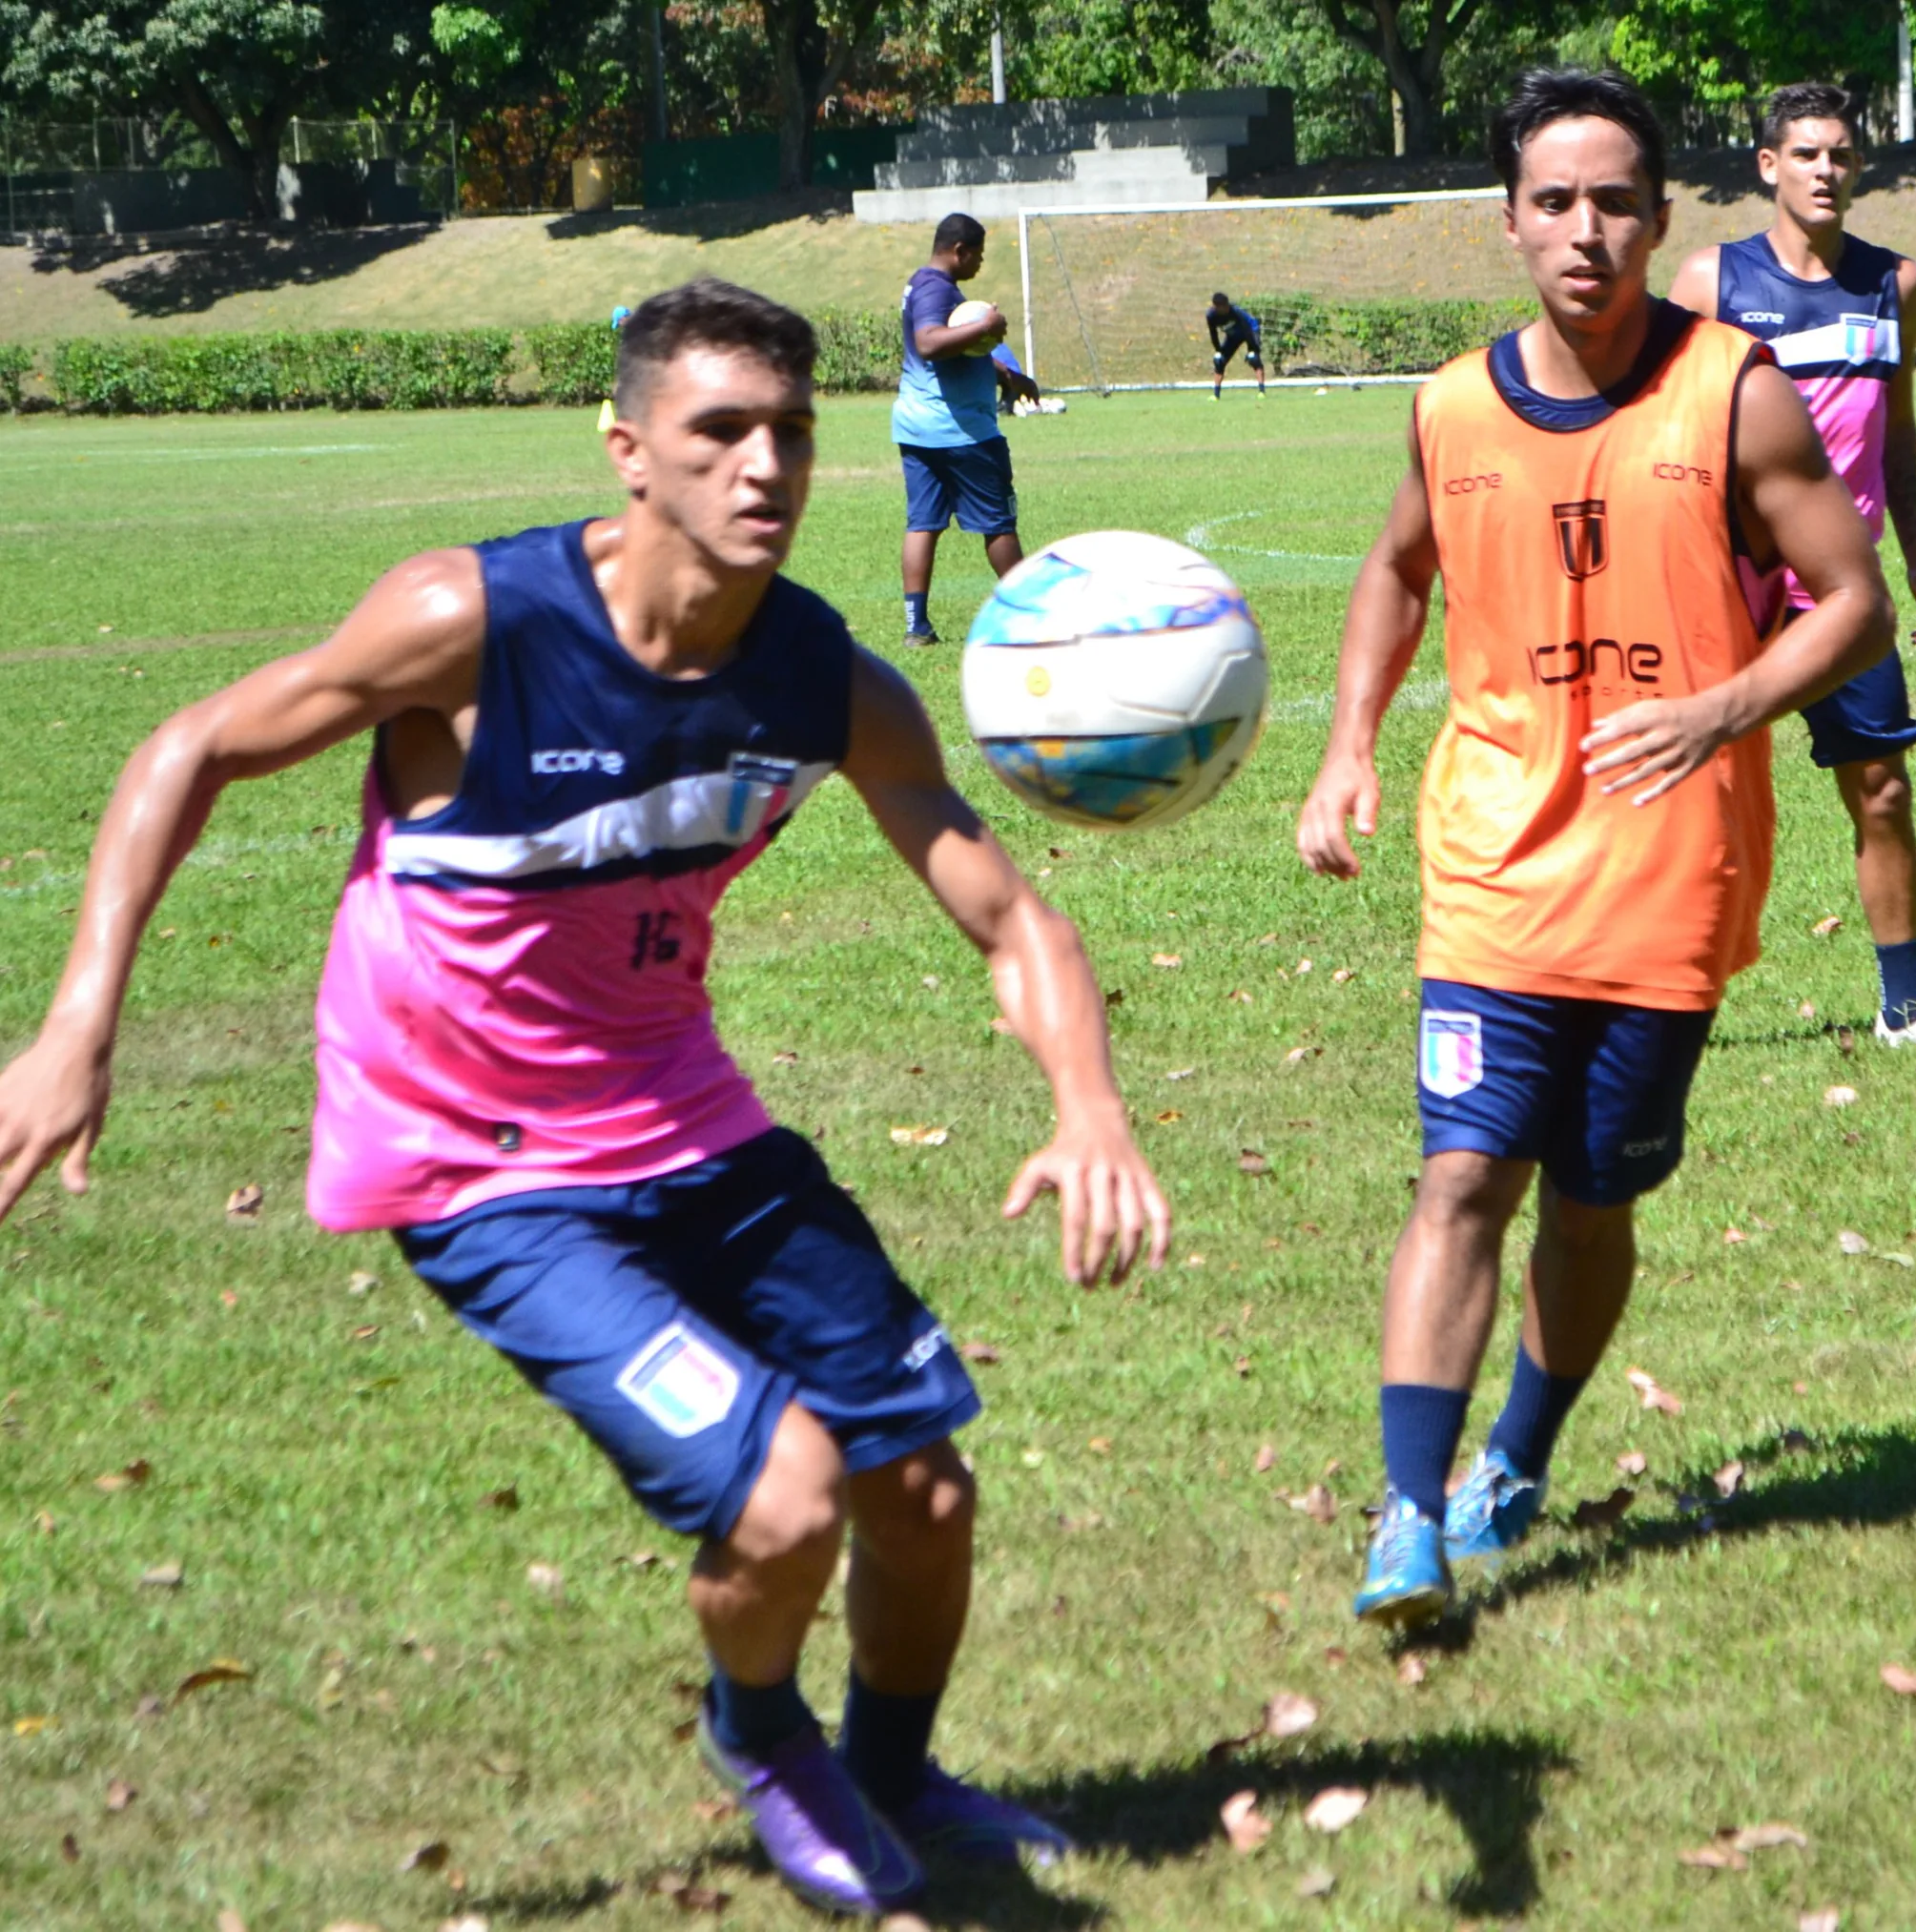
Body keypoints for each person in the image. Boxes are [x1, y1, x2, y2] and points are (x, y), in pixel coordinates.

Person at [0, 277, 1169, 1917]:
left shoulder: (816, 677)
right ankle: (763, 1735)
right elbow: (189, 749)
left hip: (685, 1120)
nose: (765, 467)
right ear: (629, 449)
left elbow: (1003, 908)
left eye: (792, 433)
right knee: (785, 1501)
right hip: (471, 1160)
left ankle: (895, 1773)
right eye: (720, 433)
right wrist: (76, 1023)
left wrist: (1089, 1103)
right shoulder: (470, 623)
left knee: (924, 1488)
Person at [1295, 69, 1892, 1626]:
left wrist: (1728, 708)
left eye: (1615, 200)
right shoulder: (1447, 405)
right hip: (1491, 864)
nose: (1585, 229)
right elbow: (1393, 569)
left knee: (1592, 1201)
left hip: (1669, 877)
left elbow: (1852, 597)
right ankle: (1408, 1522)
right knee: (1463, 1175)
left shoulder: (1733, 390)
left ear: (1661, 218)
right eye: (1554, 200)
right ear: (1509, 222)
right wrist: (1349, 747)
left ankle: (1521, 1451)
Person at [1669, 81, 1916, 1053]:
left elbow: (1898, 433)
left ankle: (1904, 1008)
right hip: (1725, 578)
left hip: (1841, 592)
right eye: (1805, 154)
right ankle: (1641, 1005)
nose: (1825, 170)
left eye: (1841, 154)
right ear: (1768, 166)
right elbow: (1665, 430)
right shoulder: (1708, 282)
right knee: (1676, 789)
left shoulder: (1897, 284)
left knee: (1881, 786)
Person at [896, 213, 1038, 646]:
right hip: (962, 432)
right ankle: (1032, 617)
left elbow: (958, 349)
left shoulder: (927, 287)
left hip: (919, 429)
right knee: (997, 524)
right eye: (978, 255)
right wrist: (986, 327)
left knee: (923, 523)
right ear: (959, 250)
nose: (980, 264)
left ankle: (916, 627)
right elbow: (930, 343)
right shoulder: (935, 289)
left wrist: (1006, 375)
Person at [1205, 293, 1267, 399]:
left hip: (1251, 331)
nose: (1226, 308)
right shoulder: (1211, 316)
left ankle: (1261, 392)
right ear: (1216, 307)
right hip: (1233, 336)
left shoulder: (1236, 312)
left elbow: (1248, 330)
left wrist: (1252, 348)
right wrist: (1218, 350)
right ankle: (1216, 395)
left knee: (1254, 359)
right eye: (1223, 306)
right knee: (1219, 362)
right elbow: (1213, 334)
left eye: (1227, 305)